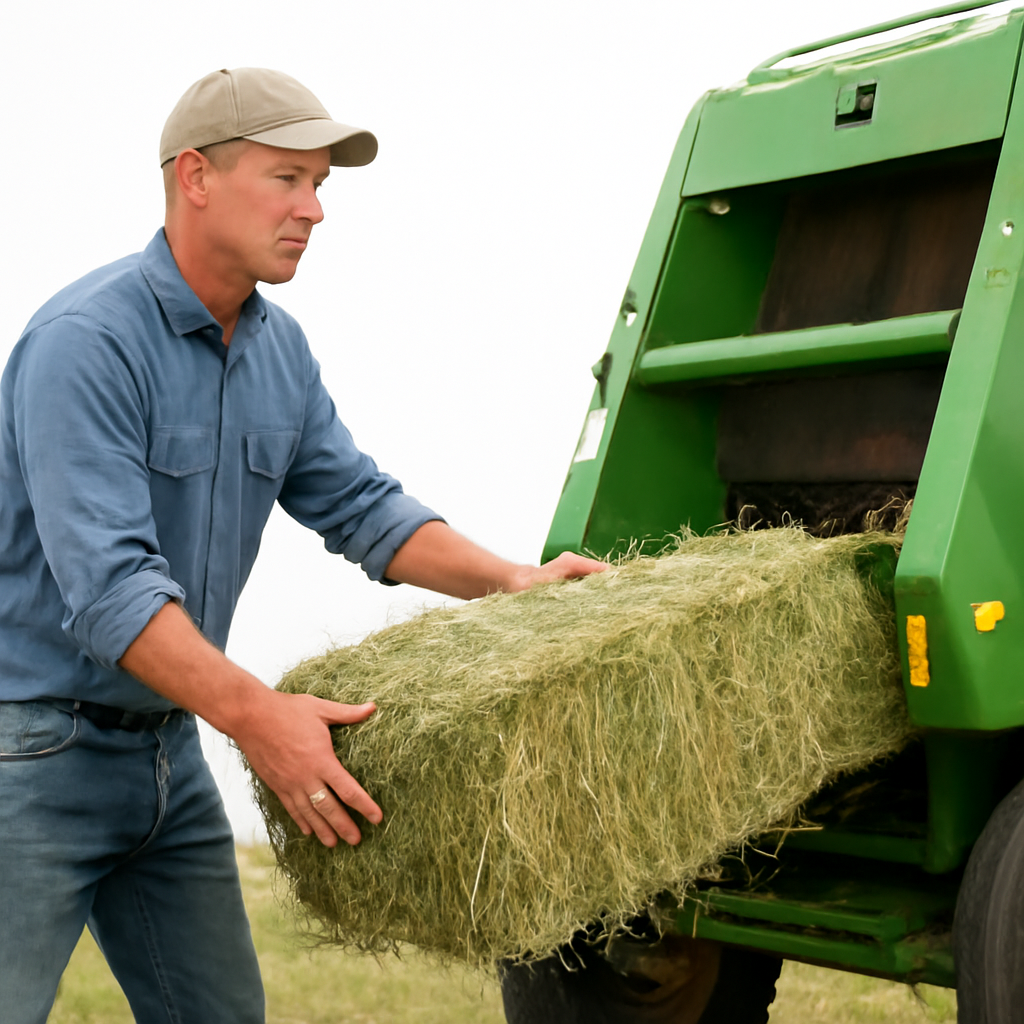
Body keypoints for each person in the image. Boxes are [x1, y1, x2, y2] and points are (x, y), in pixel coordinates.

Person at [0, 67, 606, 1023]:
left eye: (320, 185)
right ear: (195, 177)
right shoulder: (84, 343)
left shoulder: (280, 351)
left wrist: (515, 585)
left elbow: (362, 508)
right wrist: (261, 719)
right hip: (30, 756)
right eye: (289, 179)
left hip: (167, 749)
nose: (315, 210)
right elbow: (112, 593)